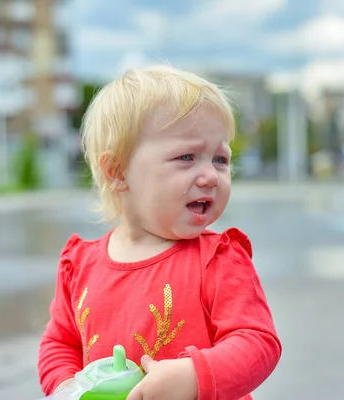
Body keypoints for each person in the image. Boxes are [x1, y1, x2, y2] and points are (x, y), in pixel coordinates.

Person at [38, 65, 282, 400]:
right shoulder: (79, 266)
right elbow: (60, 342)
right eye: (187, 157)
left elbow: (258, 343)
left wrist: (194, 376)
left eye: (220, 159)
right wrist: (67, 387)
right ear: (118, 172)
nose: (210, 176)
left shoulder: (219, 259)